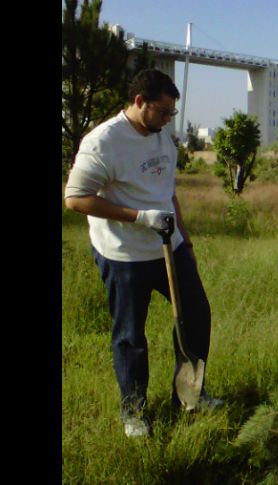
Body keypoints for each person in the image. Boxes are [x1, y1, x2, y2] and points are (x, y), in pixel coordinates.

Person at [64, 69, 223, 438]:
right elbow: (74, 199)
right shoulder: (103, 142)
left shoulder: (161, 136)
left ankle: (189, 395)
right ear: (139, 102)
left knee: (196, 317)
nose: (169, 120)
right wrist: (138, 217)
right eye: (163, 111)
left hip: (170, 247)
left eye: (172, 114)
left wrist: (187, 242)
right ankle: (133, 411)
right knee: (131, 336)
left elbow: (168, 193)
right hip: (124, 255)